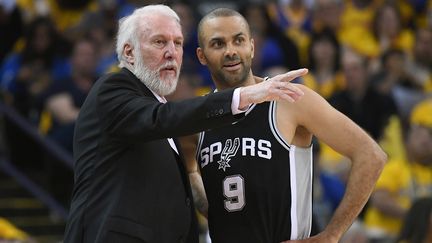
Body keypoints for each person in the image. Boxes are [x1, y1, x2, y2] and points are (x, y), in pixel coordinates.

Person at [63, 4, 307, 243]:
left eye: (177, 43)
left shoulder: (160, 113)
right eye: (159, 42)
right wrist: (244, 95)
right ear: (129, 53)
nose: (171, 52)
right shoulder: (112, 90)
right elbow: (160, 118)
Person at [189, 8, 387, 243]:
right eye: (218, 44)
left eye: (238, 40)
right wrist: (209, 208)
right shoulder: (197, 116)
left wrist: (331, 235)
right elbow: (190, 170)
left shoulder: (291, 99)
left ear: (252, 46)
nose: (231, 51)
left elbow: (371, 154)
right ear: (202, 56)